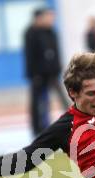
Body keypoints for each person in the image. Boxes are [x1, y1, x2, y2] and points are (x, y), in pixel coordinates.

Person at [24, 7, 69, 136]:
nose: (50, 20)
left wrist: (58, 67)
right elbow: (30, 55)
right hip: (38, 75)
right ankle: (39, 128)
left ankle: (74, 120)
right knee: (39, 102)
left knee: (63, 98)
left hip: (53, 73)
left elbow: (56, 52)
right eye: (48, 17)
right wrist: (34, 74)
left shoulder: (51, 32)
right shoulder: (31, 33)